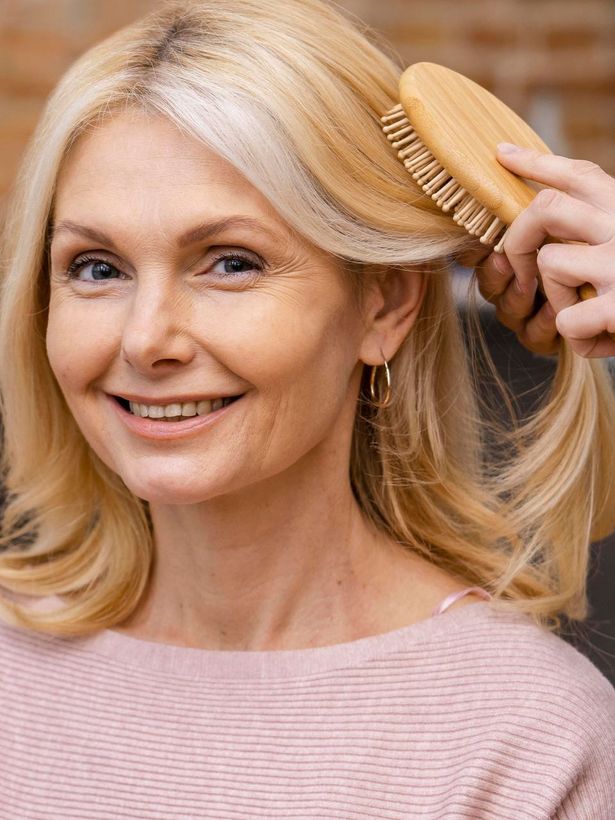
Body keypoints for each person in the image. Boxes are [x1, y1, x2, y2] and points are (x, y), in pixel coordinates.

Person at [0, 1, 613, 817]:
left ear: (382, 307)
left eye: (229, 262)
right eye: (97, 268)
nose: (145, 340)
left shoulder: (528, 735)